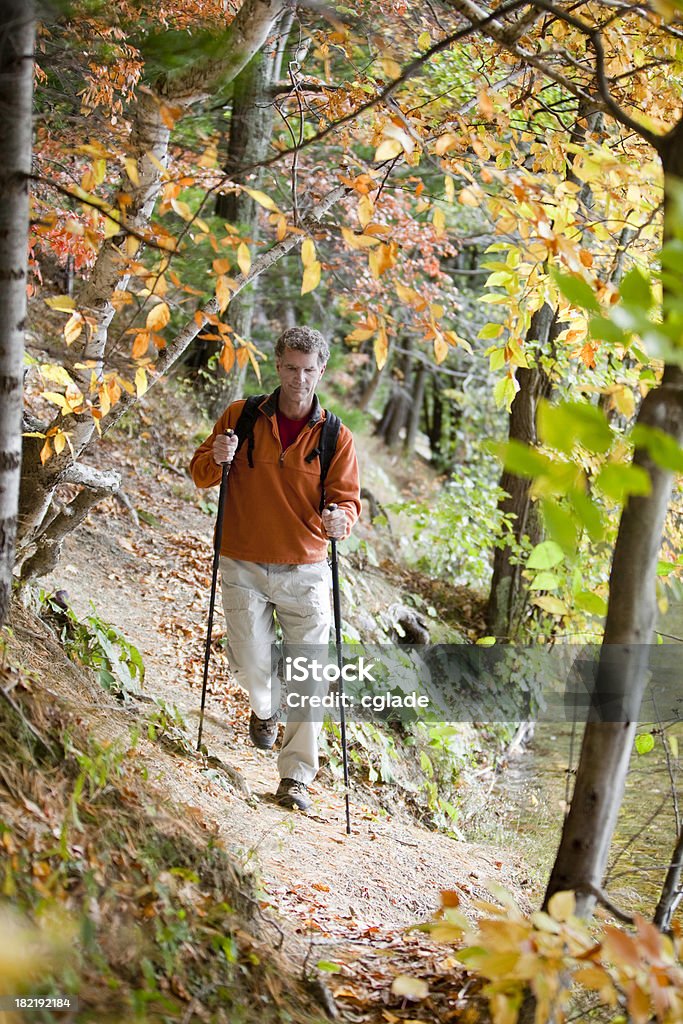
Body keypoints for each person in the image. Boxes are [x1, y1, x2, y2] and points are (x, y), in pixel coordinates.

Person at [189, 326, 361, 811]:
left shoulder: (335, 437)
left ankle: (296, 779)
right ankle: (265, 709)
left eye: (309, 370)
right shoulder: (240, 417)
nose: (299, 378)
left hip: (305, 570)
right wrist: (216, 457)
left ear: (320, 371)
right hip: (242, 560)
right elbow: (201, 472)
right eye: (291, 367)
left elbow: (347, 502)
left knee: (310, 674)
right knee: (249, 665)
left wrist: (339, 519)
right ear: (278, 366)